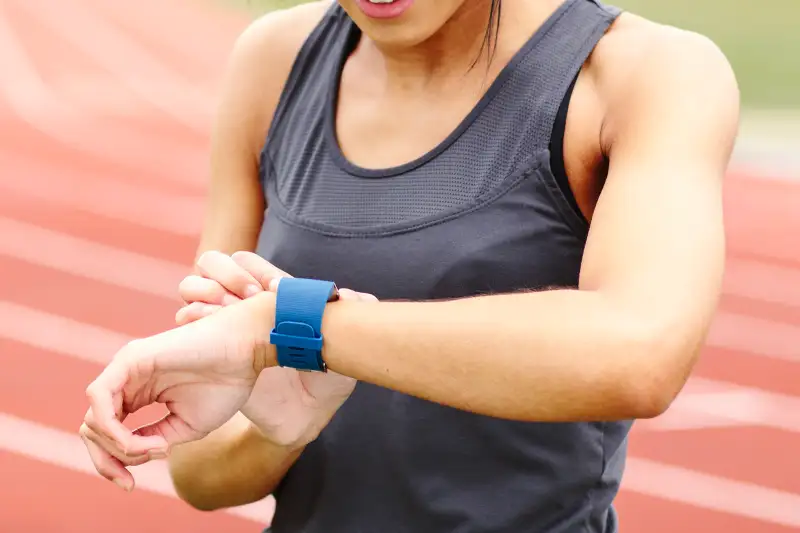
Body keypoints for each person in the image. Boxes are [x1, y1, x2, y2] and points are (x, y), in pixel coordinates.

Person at [79, 0, 739, 531]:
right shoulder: (274, 61)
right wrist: (282, 429)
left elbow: (640, 353)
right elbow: (199, 475)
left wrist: (297, 330)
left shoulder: (643, 73)